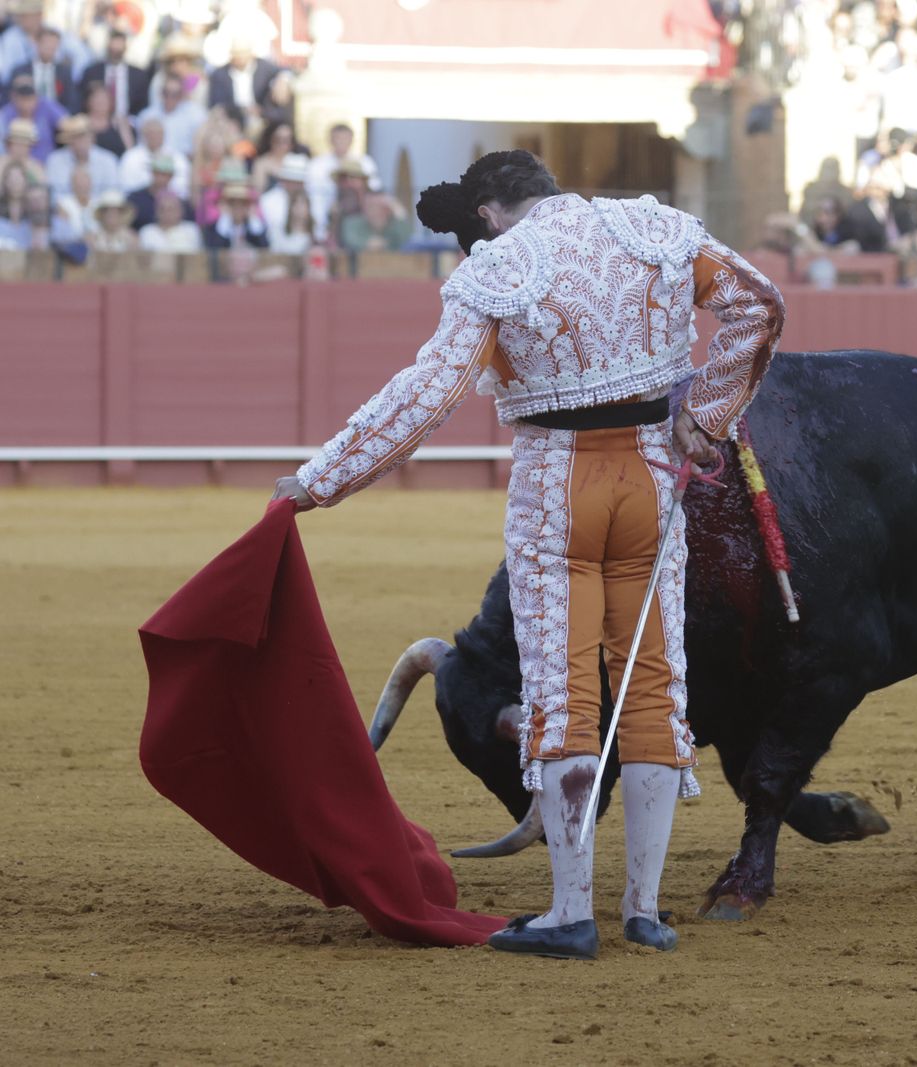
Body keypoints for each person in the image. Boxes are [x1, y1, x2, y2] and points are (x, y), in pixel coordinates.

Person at [269, 150, 783, 961]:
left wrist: (316, 481)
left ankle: (570, 912)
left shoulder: (499, 267)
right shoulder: (657, 228)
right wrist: (707, 416)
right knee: (654, 683)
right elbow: (758, 305)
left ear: (488, 213)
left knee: (565, 686)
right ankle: (644, 911)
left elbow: (424, 395)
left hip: (559, 491)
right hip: (653, 479)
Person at [79, 29, 149, 120]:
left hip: (128, 122)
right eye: (113, 44)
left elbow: (142, 105)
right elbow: (83, 99)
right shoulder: (92, 72)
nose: (116, 49)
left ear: (125, 47)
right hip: (97, 122)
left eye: (119, 45)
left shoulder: (138, 76)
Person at [44, 113, 118, 199]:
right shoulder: (55, 161)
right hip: (65, 211)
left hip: (100, 211)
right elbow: (55, 196)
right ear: (68, 140)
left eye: (84, 136)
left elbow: (113, 195)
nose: (80, 141)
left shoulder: (108, 160)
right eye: (75, 137)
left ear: (92, 137)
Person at [0, 72, 65, 162]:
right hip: (15, 166)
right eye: (23, 99)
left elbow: (66, 123)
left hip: (47, 164)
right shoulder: (6, 114)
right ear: (14, 98)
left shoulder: (45, 105)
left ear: (36, 97)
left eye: (29, 99)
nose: (26, 105)